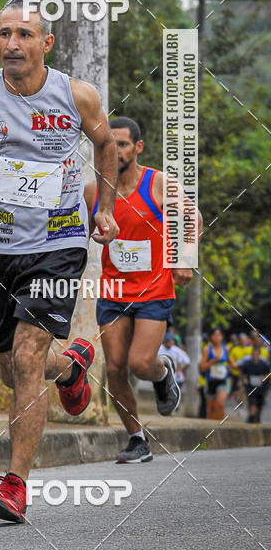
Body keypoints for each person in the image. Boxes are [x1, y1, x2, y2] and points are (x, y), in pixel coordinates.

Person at [0, 0, 119, 523]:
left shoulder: (76, 96)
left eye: (24, 35)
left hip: (59, 243)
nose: (12, 44)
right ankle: (74, 365)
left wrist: (102, 208)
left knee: (28, 357)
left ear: (46, 43)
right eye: (4, 34)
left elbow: (106, 146)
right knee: (11, 370)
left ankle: (15, 485)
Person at [84, 116, 202, 463]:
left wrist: (184, 259)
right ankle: (137, 438)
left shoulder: (158, 183)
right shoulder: (93, 189)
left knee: (139, 363)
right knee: (116, 368)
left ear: (137, 148)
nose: (116, 150)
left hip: (153, 289)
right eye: (110, 143)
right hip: (113, 289)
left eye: (123, 144)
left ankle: (162, 371)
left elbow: (192, 217)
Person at [199, 327, 230, 420]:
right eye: (214, 335)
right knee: (212, 409)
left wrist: (237, 367)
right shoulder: (207, 349)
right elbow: (202, 367)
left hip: (223, 380)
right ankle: (211, 429)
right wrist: (213, 360)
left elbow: (229, 360)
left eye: (219, 335)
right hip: (211, 380)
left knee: (220, 403)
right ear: (211, 337)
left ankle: (220, 427)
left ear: (222, 337)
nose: (217, 337)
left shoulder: (226, 348)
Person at [240, 346, 270, 423]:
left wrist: (263, 377)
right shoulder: (247, 364)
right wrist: (244, 379)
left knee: (259, 407)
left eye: (256, 354)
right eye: (253, 354)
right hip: (251, 388)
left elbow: (268, 375)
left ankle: (256, 418)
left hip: (261, 388)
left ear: (259, 355)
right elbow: (243, 374)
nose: (255, 356)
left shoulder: (264, 364)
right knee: (252, 405)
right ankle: (251, 419)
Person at [228, 333, 252, 402]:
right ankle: (238, 402)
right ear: (239, 341)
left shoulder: (251, 349)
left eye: (244, 340)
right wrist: (232, 366)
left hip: (247, 374)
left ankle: (241, 407)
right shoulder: (235, 349)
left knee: (243, 390)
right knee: (236, 392)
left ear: (247, 340)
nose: (243, 341)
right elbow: (230, 360)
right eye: (241, 340)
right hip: (236, 373)